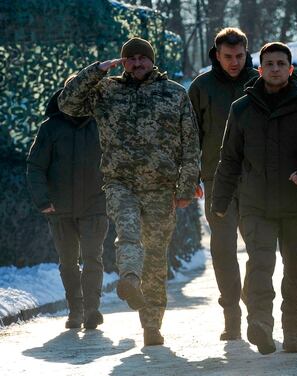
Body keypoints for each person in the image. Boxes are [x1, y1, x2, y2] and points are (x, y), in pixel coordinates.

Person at [58, 37, 200, 346]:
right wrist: (97, 70)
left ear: (152, 60)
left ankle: (151, 325)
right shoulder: (106, 91)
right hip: (120, 182)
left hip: (161, 188)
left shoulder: (174, 94)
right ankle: (130, 279)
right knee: (128, 233)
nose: (137, 63)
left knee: (157, 257)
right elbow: (67, 102)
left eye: (142, 58)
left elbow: (191, 144)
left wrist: (187, 186)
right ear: (123, 62)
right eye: (130, 59)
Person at [212, 42, 297, 354]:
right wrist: (220, 201)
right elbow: (229, 158)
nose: (275, 68)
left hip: (296, 203)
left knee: (295, 268)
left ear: (290, 69)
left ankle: (292, 330)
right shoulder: (242, 109)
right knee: (260, 264)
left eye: (281, 63)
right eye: (270, 64)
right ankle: (261, 324)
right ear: (261, 68)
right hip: (256, 204)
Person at [188, 27, 258, 341]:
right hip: (216, 180)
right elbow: (190, 137)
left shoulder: (261, 82)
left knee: (261, 246)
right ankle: (232, 314)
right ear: (216, 55)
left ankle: (254, 301)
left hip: (258, 179)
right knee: (223, 248)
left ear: (247, 53)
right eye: (227, 56)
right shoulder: (201, 87)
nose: (233, 62)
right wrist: (190, 178)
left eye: (239, 56)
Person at [27, 86, 108, 330]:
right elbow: (35, 166)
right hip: (59, 208)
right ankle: (75, 310)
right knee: (68, 261)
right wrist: (43, 200)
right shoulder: (50, 128)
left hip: (95, 204)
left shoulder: (102, 124)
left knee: (93, 257)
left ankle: (92, 310)